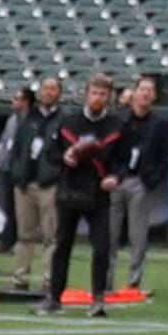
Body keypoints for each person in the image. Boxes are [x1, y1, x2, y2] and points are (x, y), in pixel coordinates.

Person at [40, 72, 126, 317]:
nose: (98, 98)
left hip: (98, 192)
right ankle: (54, 296)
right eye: (94, 92)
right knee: (62, 244)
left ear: (108, 97)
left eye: (103, 94)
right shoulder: (69, 123)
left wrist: (115, 177)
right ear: (86, 95)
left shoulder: (116, 126)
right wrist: (65, 158)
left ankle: (98, 298)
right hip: (70, 189)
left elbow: (124, 160)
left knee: (101, 247)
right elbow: (51, 153)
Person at [5, 75, 64, 292]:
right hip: (25, 183)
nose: (48, 93)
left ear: (59, 93)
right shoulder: (27, 119)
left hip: (48, 184)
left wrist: (54, 174)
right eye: (45, 89)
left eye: (53, 89)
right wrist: (16, 174)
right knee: (24, 234)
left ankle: (49, 280)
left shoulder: (63, 120)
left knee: (51, 235)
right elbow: (17, 149)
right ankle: (20, 278)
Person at [116, 75, 168, 294]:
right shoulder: (119, 119)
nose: (146, 93)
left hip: (141, 181)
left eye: (150, 90)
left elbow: (163, 156)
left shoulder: (160, 123)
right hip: (117, 180)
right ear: (134, 93)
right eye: (142, 89)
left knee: (138, 235)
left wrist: (152, 179)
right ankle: (104, 280)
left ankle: (133, 281)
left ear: (154, 95)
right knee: (109, 234)